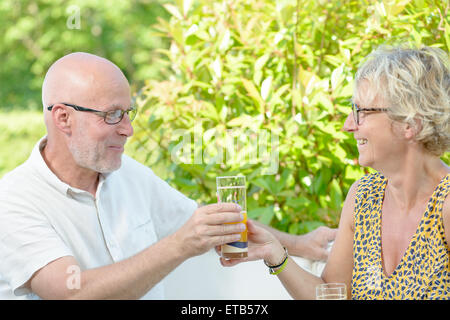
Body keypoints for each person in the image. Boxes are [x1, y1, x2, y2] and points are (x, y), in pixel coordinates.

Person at [0, 52, 336, 300]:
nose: (129, 130)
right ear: (63, 118)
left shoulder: (127, 174)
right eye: (113, 115)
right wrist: (178, 246)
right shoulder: (14, 200)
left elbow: (205, 225)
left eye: (128, 113)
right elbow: (71, 294)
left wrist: (299, 244)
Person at [220, 45, 450, 300]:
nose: (348, 125)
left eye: (361, 112)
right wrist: (275, 253)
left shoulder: (446, 204)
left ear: (410, 123)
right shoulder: (363, 197)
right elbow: (331, 294)